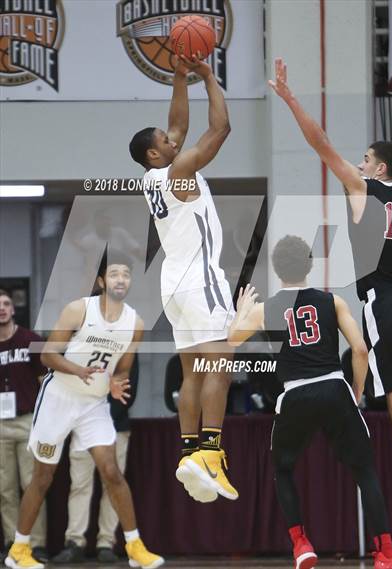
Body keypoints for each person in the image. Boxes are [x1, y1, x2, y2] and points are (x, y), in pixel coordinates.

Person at [268, 57, 392, 539]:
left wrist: (292, 101)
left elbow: (321, 144)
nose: (357, 164)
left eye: (365, 158)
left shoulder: (364, 189)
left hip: (386, 301)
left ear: (380, 167)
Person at [228, 235, 392, 569]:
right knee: (365, 471)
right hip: (334, 389)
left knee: (282, 469)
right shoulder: (333, 302)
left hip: (294, 394)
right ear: (310, 266)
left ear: (276, 269)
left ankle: (301, 543)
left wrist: (241, 312)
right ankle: (387, 554)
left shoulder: (264, 309)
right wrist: (356, 392)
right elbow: (359, 349)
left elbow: (232, 338)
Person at [5, 252, 164, 569]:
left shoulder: (136, 323)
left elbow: (123, 369)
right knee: (42, 477)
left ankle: (134, 545)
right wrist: (77, 371)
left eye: (126, 275)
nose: (121, 279)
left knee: (112, 473)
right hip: (59, 399)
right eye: (115, 274)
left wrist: (117, 383)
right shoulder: (79, 309)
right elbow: (48, 356)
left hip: (94, 405)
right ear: (102, 281)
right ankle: (19, 550)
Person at [129, 56, 237, 503]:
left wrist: (178, 78)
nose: (175, 139)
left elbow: (176, 124)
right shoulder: (178, 173)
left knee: (194, 370)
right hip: (200, 278)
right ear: (157, 153)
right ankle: (211, 453)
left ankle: (188, 451)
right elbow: (220, 130)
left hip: (173, 285)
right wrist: (210, 77)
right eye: (166, 141)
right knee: (221, 364)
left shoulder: (155, 176)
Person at [52, 356, 139, 564]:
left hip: (115, 425)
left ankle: (106, 543)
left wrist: (103, 419)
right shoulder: (80, 345)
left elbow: (128, 390)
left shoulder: (126, 346)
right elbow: (68, 385)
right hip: (82, 424)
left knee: (112, 486)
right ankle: (74, 542)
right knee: (79, 485)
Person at [0, 290, 48, 564]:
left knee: (31, 484)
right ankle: (11, 541)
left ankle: (36, 542)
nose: (2, 309)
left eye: (6, 304)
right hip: (0, 425)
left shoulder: (30, 340)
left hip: (27, 420)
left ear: (13, 309)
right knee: (5, 489)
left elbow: (47, 379)